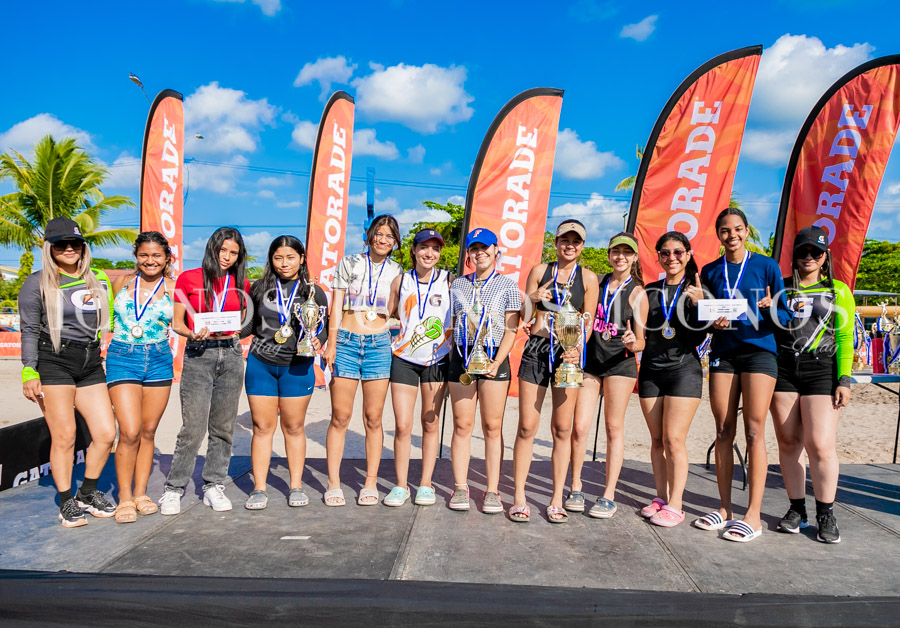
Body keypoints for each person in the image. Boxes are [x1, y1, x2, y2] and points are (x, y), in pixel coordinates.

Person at [694, 208, 792, 542]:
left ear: (747, 231)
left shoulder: (767, 266)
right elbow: (703, 317)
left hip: (760, 351)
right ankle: (725, 509)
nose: (731, 235)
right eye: (724, 230)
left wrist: (770, 307)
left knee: (754, 430)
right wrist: (710, 321)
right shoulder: (709, 270)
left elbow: (787, 314)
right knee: (723, 429)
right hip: (724, 352)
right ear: (718, 234)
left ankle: (753, 516)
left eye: (737, 229)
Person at [18, 217, 117, 527]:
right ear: (50, 248)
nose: (70, 248)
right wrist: (28, 371)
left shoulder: (98, 278)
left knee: (105, 434)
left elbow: (107, 321)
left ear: (83, 247)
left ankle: (87, 493)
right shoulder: (36, 283)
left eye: (75, 243)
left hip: (89, 364)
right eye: (62, 244)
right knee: (65, 436)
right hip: (53, 361)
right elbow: (29, 329)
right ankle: (65, 502)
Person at [511, 220, 599, 523]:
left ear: (582, 245)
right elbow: (523, 315)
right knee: (526, 427)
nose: (570, 245)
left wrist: (576, 349)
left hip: (569, 354)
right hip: (536, 349)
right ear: (556, 241)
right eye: (565, 239)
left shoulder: (588, 278)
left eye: (576, 240)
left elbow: (587, 322)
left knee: (562, 429)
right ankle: (519, 498)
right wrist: (530, 299)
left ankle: (557, 498)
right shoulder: (539, 271)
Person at [770, 225, 853, 544]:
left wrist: (844, 379)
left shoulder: (839, 291)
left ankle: (826, 513)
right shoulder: (781, 289)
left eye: (815, 252)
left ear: (824, 256)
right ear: (794, 255)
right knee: (789, 442)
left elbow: (846, 335)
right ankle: (796, 510)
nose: (808, 257)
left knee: (820, 444)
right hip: (785, 369)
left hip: (822, 369)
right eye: (802, 251)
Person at [159, 227, 250, 515]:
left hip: (232, 354)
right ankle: (174, 489)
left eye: (233, 253)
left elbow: (243, 322)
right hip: (199, 353)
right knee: (192, 428)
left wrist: (238, 333)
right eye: (223, 250)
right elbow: (177, 323)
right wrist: (191, 332)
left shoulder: (242, 282)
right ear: (212, 248)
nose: (227, 257)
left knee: (223, 427)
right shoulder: (189, 279)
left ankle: (213, 484)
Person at [322, 215, 403, 506]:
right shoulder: (349, 262)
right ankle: (333, 482)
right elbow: (334, 306)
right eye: (379, 234)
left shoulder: (398, 270)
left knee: (373, 418)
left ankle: (370, 481)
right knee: (341, 416)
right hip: (345, 340)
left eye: (389, 236)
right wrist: (330, 344)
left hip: (379, 344)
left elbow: (397, 311)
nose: (383, 240)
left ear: (395, 243)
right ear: (369, 235)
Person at [243, 236, 329, 510]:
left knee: (293, 428)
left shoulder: (314, 291)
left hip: (297, 366)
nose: (284, 263)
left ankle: (295, 485)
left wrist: (318, 340)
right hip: (260, 365)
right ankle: (259, 488)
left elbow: (322, 327)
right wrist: (224, 327)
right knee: (262, 428)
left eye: (290, 257)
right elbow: (247, 326)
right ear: (271, 260)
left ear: (301, 258)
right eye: (278, 257)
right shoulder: (259, 288)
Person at [568, 232, 646, 519]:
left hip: (620, 364)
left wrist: (632, 343)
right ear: (609, 254)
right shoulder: (596, 282)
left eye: (627, 252)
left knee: (613, 428)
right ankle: (575, 485)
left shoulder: (639, 293)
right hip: (591, 362)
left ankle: (608, 494)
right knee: (579, 426)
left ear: (635, 257)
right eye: (616, 251)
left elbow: (642, 341)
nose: (621, 257)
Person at [637, 232, 709, 527]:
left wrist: (703, 304)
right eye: (665, 253)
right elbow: (640, 335)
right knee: (656, 440)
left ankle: (676, 504)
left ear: (688, 254)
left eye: (678, 252)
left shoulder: (698, 291)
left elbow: (707, 332)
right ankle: (661, 496)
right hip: (652, 372)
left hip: (684, 371)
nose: (671, 258)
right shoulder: (649, 291)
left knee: (673, 439)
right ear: (659, 257)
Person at [448, 228, 522, 514]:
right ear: (468, 253)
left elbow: (512, 328)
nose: (480, 253)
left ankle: (492, 490)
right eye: (474, 248)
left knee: (492, 427)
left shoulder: (508, 285)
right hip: (464, 357)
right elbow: (452, 325)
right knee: (462, 425)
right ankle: (461, 487)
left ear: (495, 250)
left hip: (493, 357)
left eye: (485, 248)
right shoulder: (457, 285)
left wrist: (496, 361)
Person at [106, 232, 176, 523]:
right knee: (130, 430)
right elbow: (105, 319)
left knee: (148, 431)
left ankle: (140, 493)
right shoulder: (121, 282)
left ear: (166, 258)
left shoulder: (174, 287)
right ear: (136, 256)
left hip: (160, 358)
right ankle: (123, 498)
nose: (150, 261)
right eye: (144, 255)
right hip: (123, 356)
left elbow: (187, 321)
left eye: (157, 255)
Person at [385, 229, 453, 507]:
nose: (429, 253)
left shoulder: (450, 280)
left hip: (437, 359)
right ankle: (401, 485)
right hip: (403, 358)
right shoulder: (400, 281)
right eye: (423, 247)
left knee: (430, 422)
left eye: (434, 249)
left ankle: (425, 484)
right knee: (402, 425)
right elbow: (386, 315)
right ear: (413, 250)